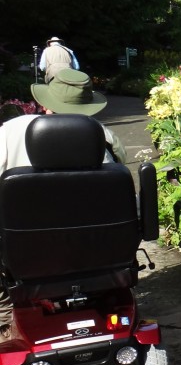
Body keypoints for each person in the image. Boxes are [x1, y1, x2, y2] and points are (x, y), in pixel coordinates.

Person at [0, 69, 124, 342]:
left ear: (45, 103)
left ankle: (5, 313)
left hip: (24, 255)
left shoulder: (8, 134)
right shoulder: (105, 139)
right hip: (94, 251)